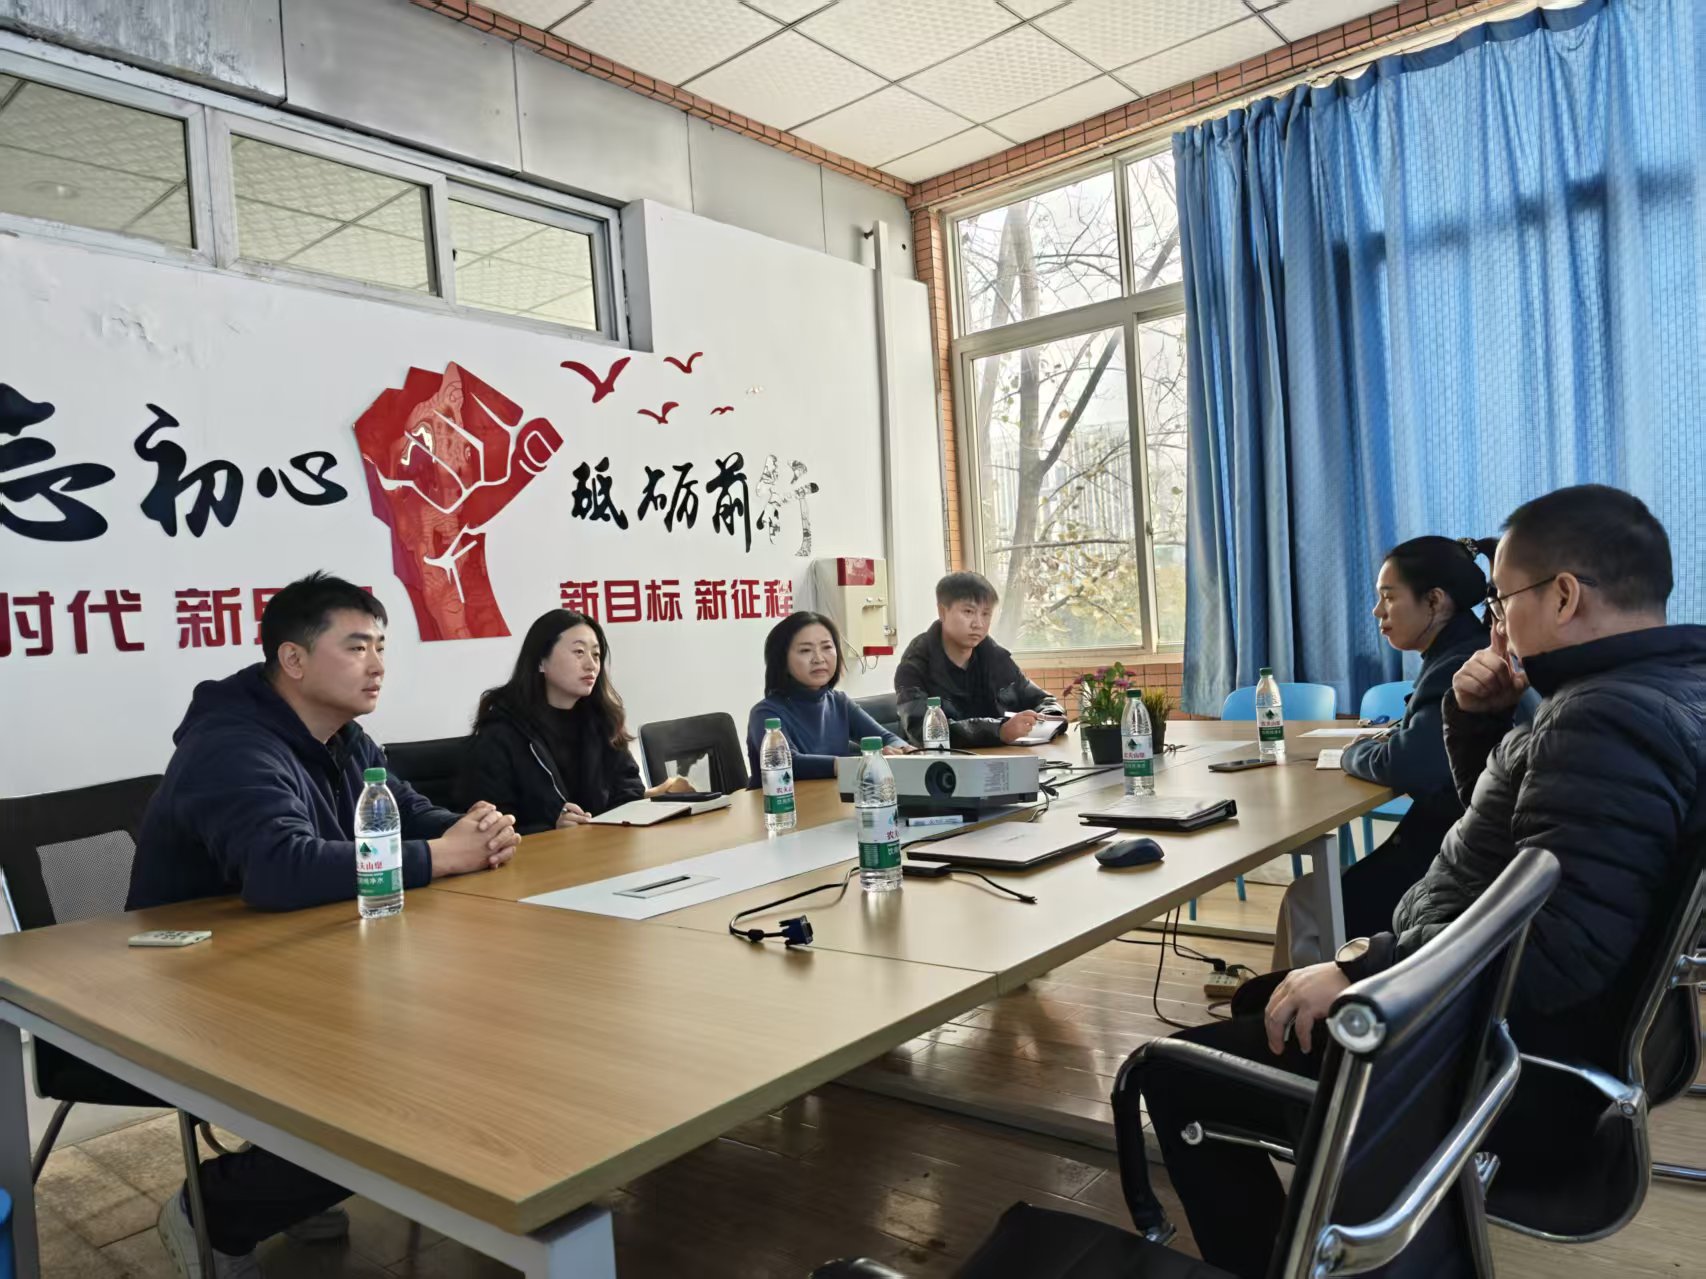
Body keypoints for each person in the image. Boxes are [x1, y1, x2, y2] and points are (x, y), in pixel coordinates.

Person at [1116, 485, 1706, 1278]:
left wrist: (1368, 963)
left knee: (1172, 1070)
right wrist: (1482, 722)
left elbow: (1556, 947)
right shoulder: (1659, 688)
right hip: (1511, 1024)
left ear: (1564, 596)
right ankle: (1333, 1201)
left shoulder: (1603, 719)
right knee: (1267, 1002)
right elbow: (1521, 842)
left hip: (1486, 1058)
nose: (1497, 626)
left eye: (1504, 601)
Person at [127, 573, 521, 1277]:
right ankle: (216, 1209)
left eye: (382, 647)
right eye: (357, 646)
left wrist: (473, 830)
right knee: (407, 1087)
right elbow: (279, 867)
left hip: (303, 960)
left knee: (473, 1027)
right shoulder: (231, 744)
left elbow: (406, 811)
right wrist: (441, 855)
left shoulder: (345, 738)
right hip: (193, 989)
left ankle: (289, 1176)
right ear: (295, 659)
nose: (378, 664)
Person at [1272, 535, 1495, 967]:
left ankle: (1311, 1006)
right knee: (1307, 895)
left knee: (1306, 899)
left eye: (1389, 598)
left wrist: (1352, 753)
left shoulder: (1457, 665)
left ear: (1435, 601)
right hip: (1458, 846)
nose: (1378, 611)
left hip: (1452, 865)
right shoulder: (1462, 649)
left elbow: (1407, 763)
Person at [460, 609, 693, 835]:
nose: (591, 665)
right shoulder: (502, 733)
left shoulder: (602, 721)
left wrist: (654, 799)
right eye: (579, 652)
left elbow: (626, 790)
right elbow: (491, 827)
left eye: (596, 655)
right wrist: (553, 829)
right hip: (542, 858)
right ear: (541, 661)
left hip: (605, 851)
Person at [894, 572, 1062, 747]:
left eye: (985, 614)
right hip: (944, 761)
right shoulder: (915, 665)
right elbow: (922, 731)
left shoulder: (995, 657)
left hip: (1001, 758)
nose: (978, 624)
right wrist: (999, 731)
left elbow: (1043, 700)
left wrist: (1049, 718)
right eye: (968, 612)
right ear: (942, 612)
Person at [746, 611, 910, 781]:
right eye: (805, 650)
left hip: (834, 797)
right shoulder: (766, 713)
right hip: (784, 798)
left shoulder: (839, 702)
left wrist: (904, 750)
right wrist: (859, 764)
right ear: (782, 660)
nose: (819, 659)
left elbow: (887, 738)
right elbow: (789, 763)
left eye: (827, 647)